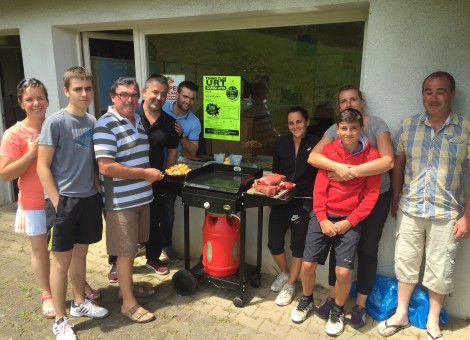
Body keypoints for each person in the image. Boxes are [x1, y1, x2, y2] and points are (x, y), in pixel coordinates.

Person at [377, 71, 470, 339]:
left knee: (440, 268)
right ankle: (402, 314)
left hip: (448, 213)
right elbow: (398, 165)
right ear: (422, 95)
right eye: (428, 91)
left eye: (440, 91)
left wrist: (467, 216)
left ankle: (432, 320)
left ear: (452, 94)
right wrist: (396, 199)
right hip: (411, 209)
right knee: (405, 262)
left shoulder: (464, 129)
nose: (433, 97)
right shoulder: (408, 125)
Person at [303, 84, 394, 328]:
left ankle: (361, 305)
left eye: (353, 99)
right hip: (341, 202)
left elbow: (387, 161)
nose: (349, 104)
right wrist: (338, 168)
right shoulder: (337, 128)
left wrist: (351, 172)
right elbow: (314, 157)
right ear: (339, 107)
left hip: (375, 197)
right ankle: (334, 299)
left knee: (366, 249)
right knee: (339, 249)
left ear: (361, 102)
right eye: (343, 101)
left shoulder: (376, 125)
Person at [291, 108, 381, 336]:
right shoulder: (329, 152)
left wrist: (349, 222)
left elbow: (370, 197)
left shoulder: (372, 158)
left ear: (361, 129)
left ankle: (338, 310)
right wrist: (321, 219)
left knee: (342, 272)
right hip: (322, 216)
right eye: (344, 128)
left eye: (353, 128)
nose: (349, 133)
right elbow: (319, 190)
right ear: (337, 130)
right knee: (308, 265)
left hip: (349, 221)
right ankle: (307, 299)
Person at [37, 67, 109, 340]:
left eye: (88, 89)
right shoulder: (55, 123)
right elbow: (43, 167)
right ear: (66, 91)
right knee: (60, 263)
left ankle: (79, 302)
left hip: (89, 199)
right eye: (77, 89)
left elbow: (92, 162)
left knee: (81, 255)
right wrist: (57, 203)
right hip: (64, 202)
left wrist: (97, 189)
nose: (84, 93)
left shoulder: (93, 121)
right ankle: (60, 319)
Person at [93, 77, 162, 324]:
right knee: (124, 252)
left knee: (133, 249)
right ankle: (128, 304)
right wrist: (145, 174)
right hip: (121, 202)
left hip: (141, 197)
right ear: (112, 96)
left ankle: (126, 288)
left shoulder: (137, 121)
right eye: (124, 94)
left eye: (134, 95)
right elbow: (107, 167)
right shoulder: (106, 125)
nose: (129, 99)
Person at [0, 78, 54, 319]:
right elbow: (5, 174)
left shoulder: (54, 126)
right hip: (34, 202)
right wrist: (30, 155)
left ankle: (79, 286)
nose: (36, 103)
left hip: (59, 198)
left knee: (68, 249)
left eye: (40, 98)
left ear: (47, 100)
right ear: (21, 103)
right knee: (41, 251)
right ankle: (47, 294)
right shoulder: (13, 134)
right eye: (30, 99)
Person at [268, 106, 319, 306]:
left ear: (306, 121)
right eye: (291, 123)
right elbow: (275, 171)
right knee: (274, 242)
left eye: (299, 121)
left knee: (298, 245)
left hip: (304, 200)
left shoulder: (316, 143)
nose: (295, 126)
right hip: (282, 199)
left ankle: (290, 285)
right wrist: (272, 199)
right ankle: (284, 273)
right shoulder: (281, 142)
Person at [140, 74, 179, 272]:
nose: (159, 97)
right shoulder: (129, 116)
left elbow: (172, 151)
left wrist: (165, 176)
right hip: (129, 179)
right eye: (155, 92)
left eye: (163, 94)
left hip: (155, 180)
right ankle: (116, 262)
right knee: (124, 222)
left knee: (154, 220)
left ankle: (153, 258)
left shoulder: (169, 123)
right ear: (145, 91)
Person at [161, 80, 200, 263]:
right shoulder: (162, 106)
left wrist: (182, 135)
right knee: (146, 209)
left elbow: (193, 151)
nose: (188, 101)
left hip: (172, 172)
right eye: (185, 96)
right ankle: (141, 243)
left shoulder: (193, 122)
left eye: (192, 99)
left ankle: (166, 245)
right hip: (148, 166)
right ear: (177, 94)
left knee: (168, 211)